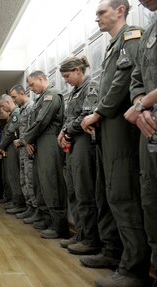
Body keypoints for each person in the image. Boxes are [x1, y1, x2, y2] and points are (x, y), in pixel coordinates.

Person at [80, 1, 151, 286]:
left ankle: (134, 268)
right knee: (107, 191)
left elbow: (123, 82)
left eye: (101, 12)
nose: (96, 18)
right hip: (108, 125)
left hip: (122, 124)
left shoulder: (132, 37)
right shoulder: (113, 45)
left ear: (120, 10)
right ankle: (113, 252)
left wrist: (98, 112)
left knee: (123, 194)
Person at [124, 0, 157, 283]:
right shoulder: (148, 33)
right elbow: (137, 76)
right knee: (150, 195)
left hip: (146, 113)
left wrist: (143, 104)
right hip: (149, 124)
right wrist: (140, 104)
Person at [57, 56, 100, 255]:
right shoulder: (74, 93)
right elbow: (68, 118)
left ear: (77, 70)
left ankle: (90, 239)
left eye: (67, 76)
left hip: (84, 142)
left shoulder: (91, 86)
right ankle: (81, 233)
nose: (66, 80)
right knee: (73, 191)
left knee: (85, 192)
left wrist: (66, 131)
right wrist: (64, 132)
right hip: (73, 143)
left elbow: (86, 116)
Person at [22, 70, 69, 239]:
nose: (31, 89)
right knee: (39, 182)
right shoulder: (41, 98)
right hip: (39, 142)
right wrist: (31, 140)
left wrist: (27, 139)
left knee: (51, 182)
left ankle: (59, 226)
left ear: (41, 79)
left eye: (32, 85)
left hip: (49, 141)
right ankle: (46, 219)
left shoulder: (52, 95)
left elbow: (42, 120)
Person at [11, 85, 37, 220]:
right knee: (23, 179)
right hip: (22, 149)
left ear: (22, 93)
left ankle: (35, 209)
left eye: (15, 97)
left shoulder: (32, 106)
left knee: (30, 179)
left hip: (28, 148)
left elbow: (32, 128)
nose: (14, 100)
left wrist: (23, 141)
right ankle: (29, 207)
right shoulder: (22, 109)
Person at [0, 94, 25, 214]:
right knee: (11, 176)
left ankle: (19, 204)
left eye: (3, 106)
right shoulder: (14, 114)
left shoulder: (16, 113)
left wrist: (0, 146)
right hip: (10, 149)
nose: (3, 109)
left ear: (8, 102)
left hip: (14, 148)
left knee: (14, 176)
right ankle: (15, 202)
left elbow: (10, 132)